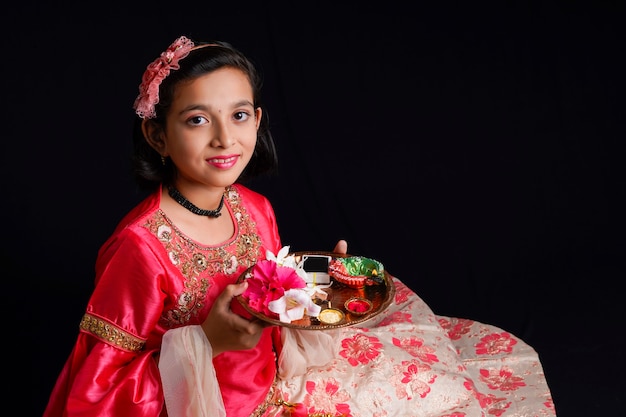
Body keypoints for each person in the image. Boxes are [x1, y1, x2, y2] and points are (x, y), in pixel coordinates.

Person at [44, 36, 556, 417]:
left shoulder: (253, 208)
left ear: (259, 119)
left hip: (280, 382)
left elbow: (271, 304)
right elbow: (93, 397)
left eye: (239, 115)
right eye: (198, 120)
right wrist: (207, 341)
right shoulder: (139, 247)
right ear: (157, 135)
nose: (226, 139)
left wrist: (313, 286)